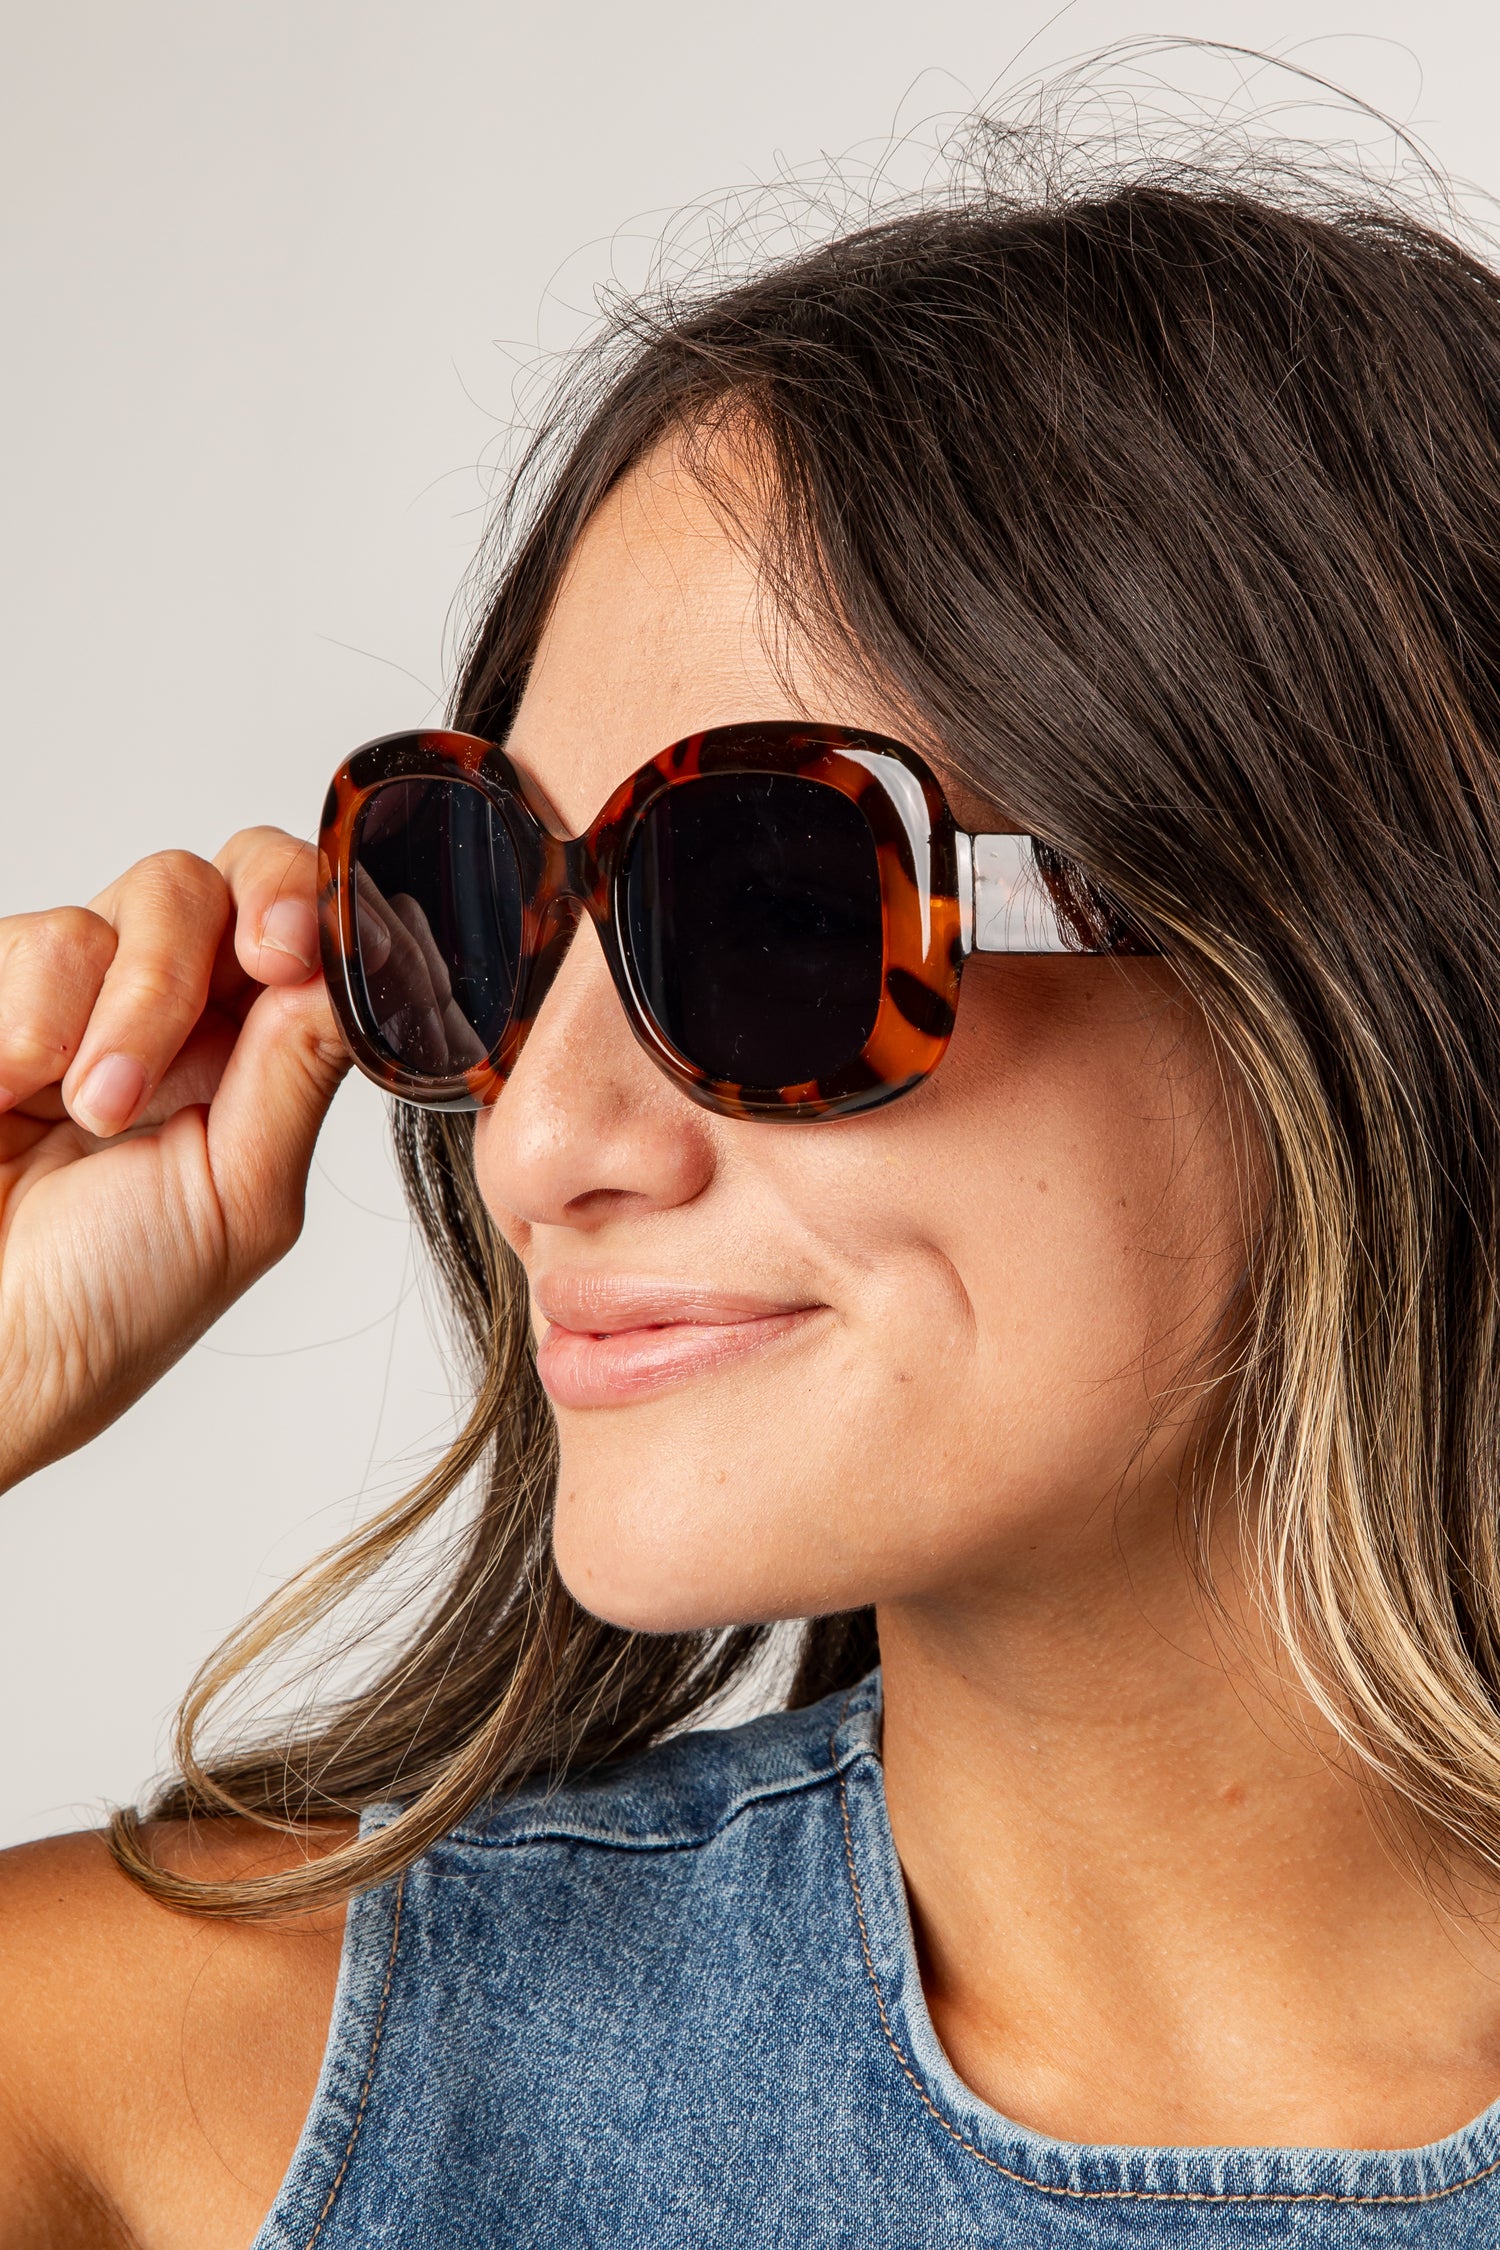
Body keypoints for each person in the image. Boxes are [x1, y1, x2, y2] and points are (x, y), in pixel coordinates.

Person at [6, 134, 1500, 2248]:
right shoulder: (149, 2107)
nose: (538, 1140)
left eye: (774, 908)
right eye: (488, 904)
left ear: (1367, 974)